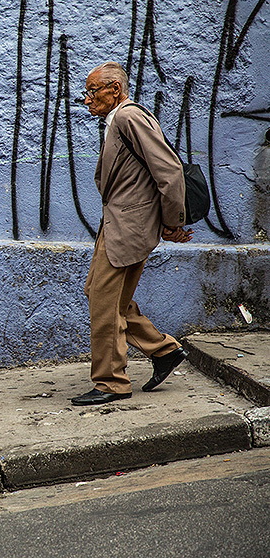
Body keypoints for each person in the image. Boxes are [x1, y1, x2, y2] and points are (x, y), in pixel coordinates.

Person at [72, 62, 193, 407]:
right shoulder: (119, 121)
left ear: (114, 89)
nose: (87, 99)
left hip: (128, 227)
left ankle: (112, 382)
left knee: (104, 302)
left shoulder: (128, 117)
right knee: (101, 294)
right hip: (120, 225)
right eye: (87, 91)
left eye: (93, 91)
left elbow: (168, 169)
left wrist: (172, 222)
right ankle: (164, 350)